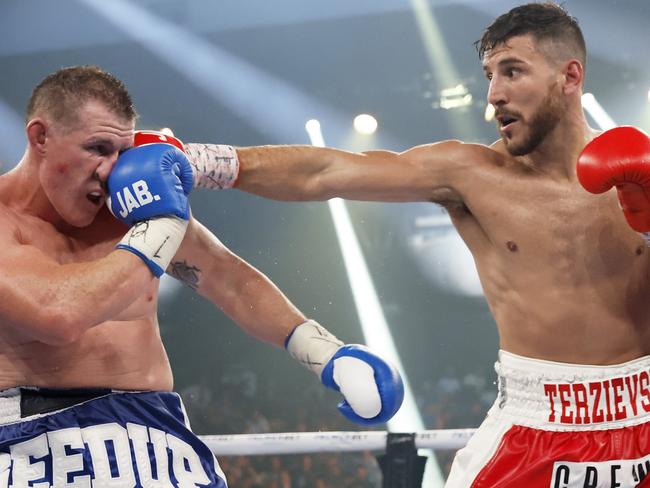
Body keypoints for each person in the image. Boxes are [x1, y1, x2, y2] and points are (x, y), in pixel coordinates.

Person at [172, 3, 650, 486]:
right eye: (489, 75)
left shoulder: (641, 169)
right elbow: (327, 171)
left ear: (570, 76)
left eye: (512, 71)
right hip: (536, 426)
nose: (494, 94)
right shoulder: (470, 174)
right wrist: (196, 162)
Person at [0, 66, 404, 485]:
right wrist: (164, 223)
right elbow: (60, 316)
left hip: (158, 437)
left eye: (122, 151)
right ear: (40, 137)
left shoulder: (126, 208)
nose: (111, 169)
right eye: (97, 148)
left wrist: (324, 354)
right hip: (36, 444)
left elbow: (226, 278)